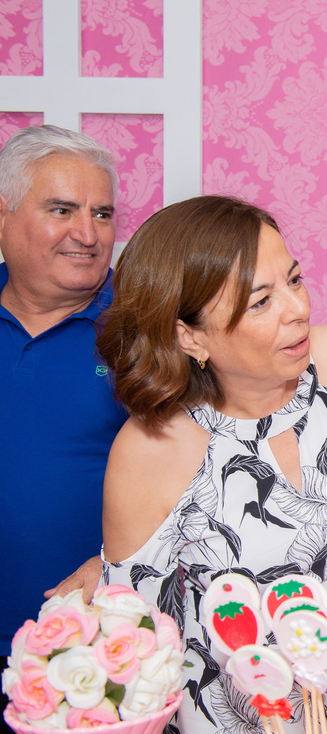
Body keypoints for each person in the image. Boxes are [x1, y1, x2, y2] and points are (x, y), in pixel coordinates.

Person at [95, 196, 327, 734]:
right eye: (261, 302)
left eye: (294, 280)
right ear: (189, 336)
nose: (297, 308)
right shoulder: (150, 450)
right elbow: (135, 648)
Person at [0, 125, 127, 713]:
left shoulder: (145, 333)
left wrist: (118, 564)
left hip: (91, 664)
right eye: (62, 210)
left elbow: (204, 480)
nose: (88, 234)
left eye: (102, 214)